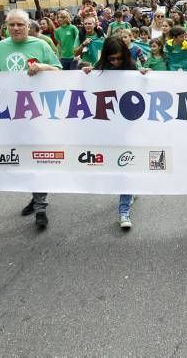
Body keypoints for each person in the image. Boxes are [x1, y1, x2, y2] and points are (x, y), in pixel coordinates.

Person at [0, 9, 61, 229]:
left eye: (20, 25)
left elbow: (60, 73)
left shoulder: (41, 46)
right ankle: (36, 197)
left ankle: (41, 207)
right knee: (23, 159)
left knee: (38, 158)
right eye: (11, 25)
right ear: (5, 26)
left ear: (28, 26)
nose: (15, 28)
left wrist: (43, 67)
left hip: (38, 114)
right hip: (10, 115)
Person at [82, 37, 144, 229]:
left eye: (119, 59)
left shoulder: (132, 67)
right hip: (107, 127)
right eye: (112, 59)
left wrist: (145, 76)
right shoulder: (99, 69)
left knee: (124, 165)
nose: (116, 63)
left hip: (127, 126)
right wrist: (87, 73)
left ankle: (123, 210)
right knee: (116, 165)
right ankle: (129, 191)